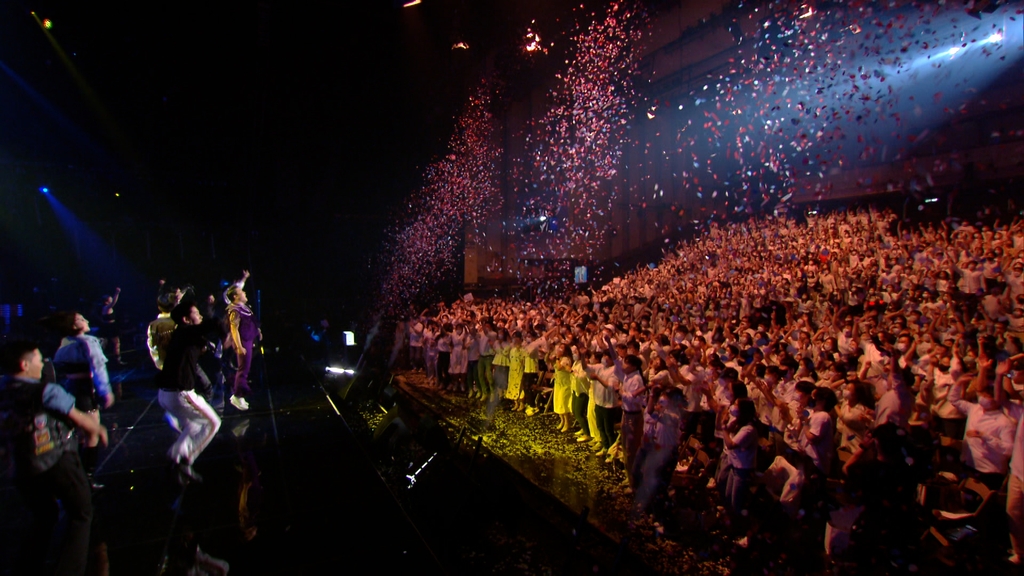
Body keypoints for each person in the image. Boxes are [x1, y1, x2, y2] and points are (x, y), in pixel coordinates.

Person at [0, 340, 108, 576]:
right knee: (81, 512)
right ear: (24, 364)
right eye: (38, 358)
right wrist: (97, 429)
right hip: (56, 460)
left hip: (21, 468)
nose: (43, 363)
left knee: (43, 516)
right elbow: (80, 418)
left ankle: (26, 567)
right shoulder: (45, 391)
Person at [42, 311, 114, 490]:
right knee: (92, 433)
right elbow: (98, 368)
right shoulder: (88, 341)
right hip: (85, 392)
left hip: (70, 389)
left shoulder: (64, 343)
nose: (87, 320)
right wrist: (106, 391)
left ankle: (78, 476)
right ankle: (86, 478)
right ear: (74, 326)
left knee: (81, 434)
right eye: (82, 319)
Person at [157, 301, 223, 484]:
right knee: (213, 423)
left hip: (166, 395)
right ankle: (186, 460)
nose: (200, 316)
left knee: (193, 427)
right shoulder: (185, 332)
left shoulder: (183, 335)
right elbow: (211, 324)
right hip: (180, 395)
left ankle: (174, 457)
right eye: (197, 313)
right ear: (186, 319)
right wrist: (222, 330)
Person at [224, 270, 260, 411]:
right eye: (241, 292)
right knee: (243, 370)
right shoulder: (234, 310)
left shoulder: (242, 308)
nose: (245, 294)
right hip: (242, 342)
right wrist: (239, 346)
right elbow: (234, 329)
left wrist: (258, 331)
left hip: (248, 340)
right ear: (235, 296)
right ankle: (237, 396)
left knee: (245, 369)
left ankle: (239, 396)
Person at [97, 287, 124, 365]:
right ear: (106, 301)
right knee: (107, 344)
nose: (111, 300)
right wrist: (116, 293)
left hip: (111, 326)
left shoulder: (107, 308)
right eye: (110, 299)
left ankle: (117, 360)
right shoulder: (106, 307)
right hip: (108, 327)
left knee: (116, 343)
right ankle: (102, 360)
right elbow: (113, 303)